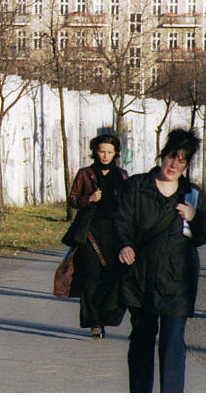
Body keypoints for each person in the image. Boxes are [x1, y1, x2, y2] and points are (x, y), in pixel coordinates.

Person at [113, 128, 206, 392]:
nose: (174, 165)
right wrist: (124, 245)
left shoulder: (192, 195)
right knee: (141, 342)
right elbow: (121, 221)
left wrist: (195, 217)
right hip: (141, 278)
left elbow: (205, 236)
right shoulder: (136, 187)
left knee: (173, 345)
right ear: (163, 155)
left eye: (181, 161)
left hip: (177, 281)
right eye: (172, 157)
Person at [62, 134, 128, 338]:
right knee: (91, 276)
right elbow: (72, 200)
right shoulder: (85, 173)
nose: (106, 155)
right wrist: (88, 199)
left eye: (110, 151)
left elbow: (129, 204)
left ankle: (106, 316)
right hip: (90, 232)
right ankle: (94, 322)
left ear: (116, 152)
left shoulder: (122, 175)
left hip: (115, 233)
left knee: (112, 276)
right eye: (102, 151)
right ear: (95, 151)